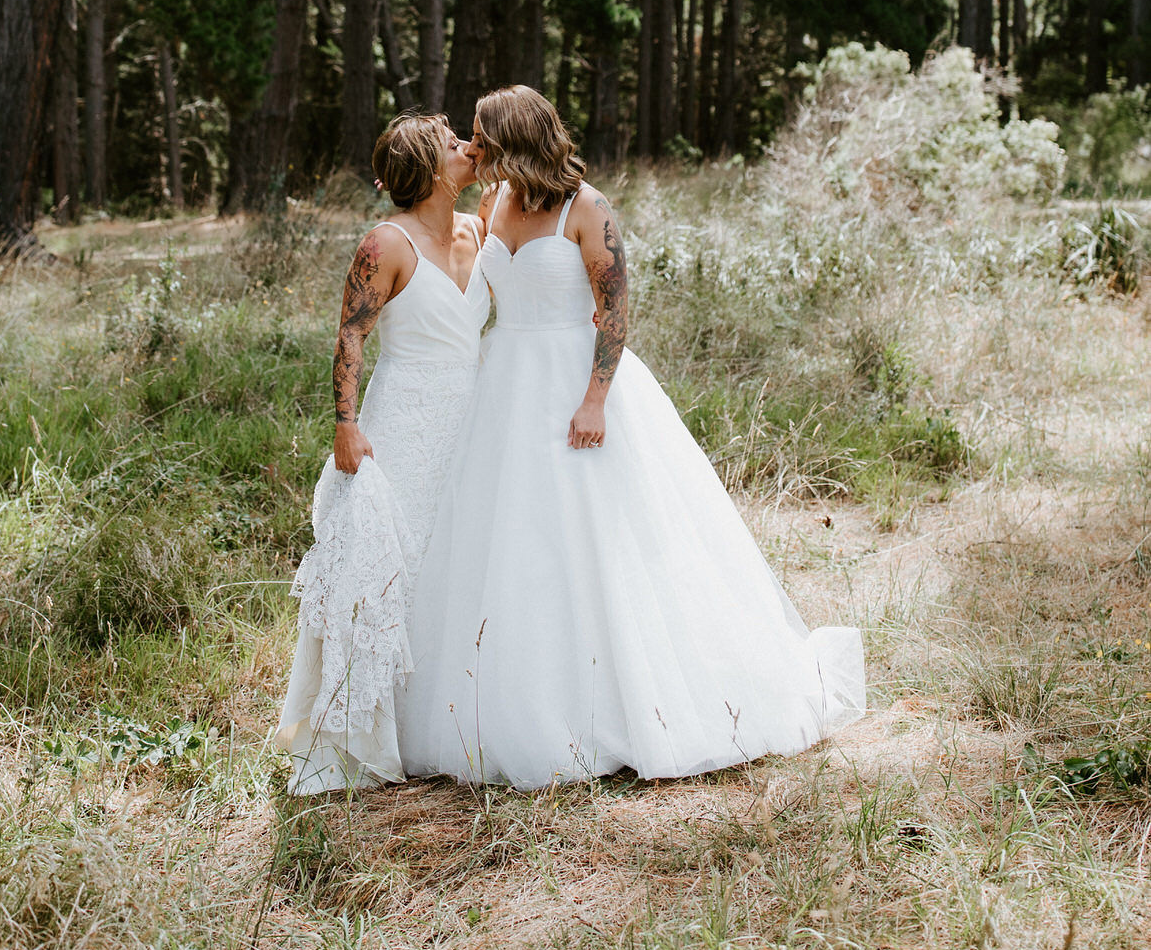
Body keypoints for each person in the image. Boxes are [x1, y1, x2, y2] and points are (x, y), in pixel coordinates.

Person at [400, 85, 865, 789]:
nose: (475, 148)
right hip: (503, 389)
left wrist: (594, 400)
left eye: (482, 135)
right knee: (514, 543)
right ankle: (521, 697)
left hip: (580, 386)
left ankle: (636, 698)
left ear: (514, 136)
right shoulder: (492, 207)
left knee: (608, 540)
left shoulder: (587, 209)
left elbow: (614, 311)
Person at [275, 113, 489, 792]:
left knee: (461, 556)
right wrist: (345, 422)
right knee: (398, 557)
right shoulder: (384, 243)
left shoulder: (477, 228)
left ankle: (454, 712)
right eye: (454, 144)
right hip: (402, 420)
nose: (467, 149)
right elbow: (350, 337)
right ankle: (374, 725)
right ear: (428, 169)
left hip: (474, 413)